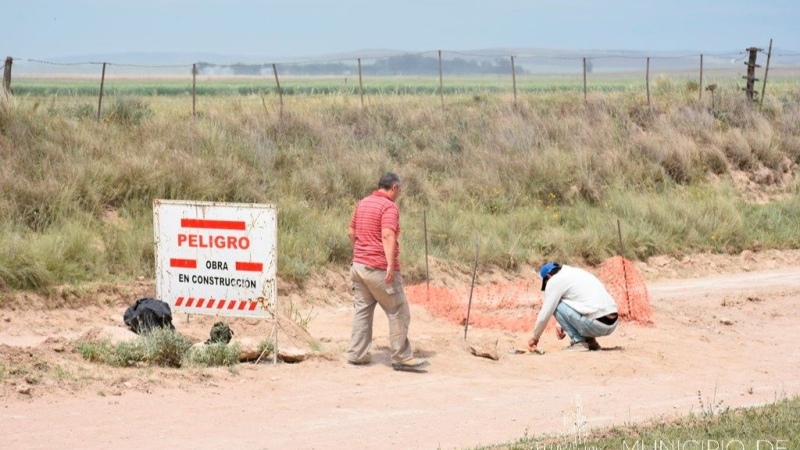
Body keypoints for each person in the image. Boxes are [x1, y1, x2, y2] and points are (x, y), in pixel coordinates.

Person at [345, 172, 428, 370]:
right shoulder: (389, 207)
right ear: (394, 188)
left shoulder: (363, 202)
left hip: (358, 267)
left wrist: (358, 252)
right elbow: (388, 235)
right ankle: (401, 357)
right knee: (398, 309)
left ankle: (357, 354)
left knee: (363, 311)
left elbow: (351, 231)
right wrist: (390, 265)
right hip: (378, 268)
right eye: (399, 190)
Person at [528, 262, 618, 353]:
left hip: (597, 325)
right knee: (587, 308)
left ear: (548, 277)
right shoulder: (574, 273)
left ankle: (578, 341)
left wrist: (535, 338)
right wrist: (559, 324)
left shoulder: (554, 281)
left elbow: (545, 314)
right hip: (612, 323)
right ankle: (590, 342)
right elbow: (578, 302)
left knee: (555, 304)